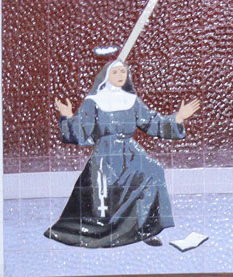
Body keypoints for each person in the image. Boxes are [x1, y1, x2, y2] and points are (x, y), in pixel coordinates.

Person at [45, 61, 201, 249]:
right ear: (106, 76)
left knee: (154, 172)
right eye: (116, 72)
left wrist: (178, 118)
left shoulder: (131, 100)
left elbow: (151, 122)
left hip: (131, 153)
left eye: (123, 71)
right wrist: (68, 116)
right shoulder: (93, 102)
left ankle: (145, 229)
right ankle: (104, 233)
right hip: (105, 156)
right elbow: (80, 133)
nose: (120, 75)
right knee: (103, 189)